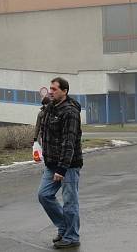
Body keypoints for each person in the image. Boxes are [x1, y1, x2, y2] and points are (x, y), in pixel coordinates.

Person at [37, 77, 83, 249]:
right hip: (52, 164)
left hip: (68, 166)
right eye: (50, 88)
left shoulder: (70, 112)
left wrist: (62, 169)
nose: (51, 91)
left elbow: (69, 142)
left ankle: (71, 237)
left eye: (54, 89)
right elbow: (47, 103)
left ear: (64, 91)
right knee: (44, 195)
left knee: (70, 201)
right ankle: (63, 227)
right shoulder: (52, 107)